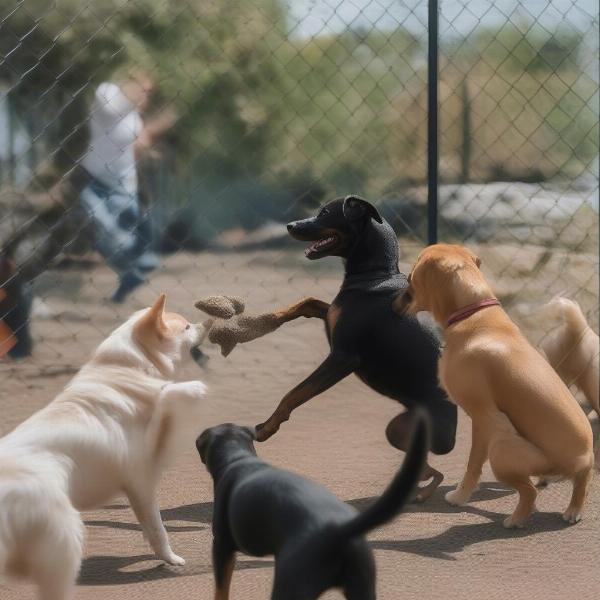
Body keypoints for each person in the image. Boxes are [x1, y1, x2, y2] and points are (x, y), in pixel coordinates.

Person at [80, 72, 176, 303]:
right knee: (105, 227)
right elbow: (111, 109)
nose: (145, 96)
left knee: (120, 237)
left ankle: (129, 276)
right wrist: (136, 90)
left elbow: (137, 144)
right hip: (94, 179)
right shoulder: (107, 92)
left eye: (148, 93)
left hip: (123, 184)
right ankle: (136, 264)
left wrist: (150, 140)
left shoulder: (134, 117)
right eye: (143, 90)